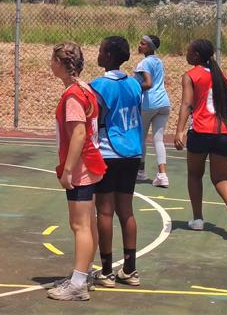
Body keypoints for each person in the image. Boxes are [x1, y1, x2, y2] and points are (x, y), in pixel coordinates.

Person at [47, 42, 107, 302]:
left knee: (79, 225)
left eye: (53, 60)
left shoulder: (73, 95)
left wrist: (68, 170)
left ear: (61, 64)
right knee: (88, 223)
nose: (50, 64)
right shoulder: (85, 88)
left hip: (81, 167)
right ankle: (84, 274)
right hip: (91, 164)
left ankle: (78, 284)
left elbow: (79, 134)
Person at [90, 36, 143, 288]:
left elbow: (95, 119)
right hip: (132, 152)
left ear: (109, 56)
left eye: (101, 51)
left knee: (105, 211)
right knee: (127, 211)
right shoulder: (134, 84)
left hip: (108, 152)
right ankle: (130, 270)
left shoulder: (98, 86)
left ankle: (106, 271)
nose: (98, 54)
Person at [174, 39, 227, 235]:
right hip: (225, 132)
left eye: (188, 51)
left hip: (201, 131)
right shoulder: (219, 75)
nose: (186, 54)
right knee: (221, 177)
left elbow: (187, 104)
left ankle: (197, 219)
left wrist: (179, 130)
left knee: (195, 175)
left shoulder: (190, 75)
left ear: (196, 55)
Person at [133, 35, 170, 187]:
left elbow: (148, 84)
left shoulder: (144, 63)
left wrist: (132, 87)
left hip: (149, 104)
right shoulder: (159, 61)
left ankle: (141, 172)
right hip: (164, 103)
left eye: (143, 43)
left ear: (149, 47)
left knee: (140, 138)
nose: (139, 45)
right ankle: (162, 175)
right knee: (158, 140)